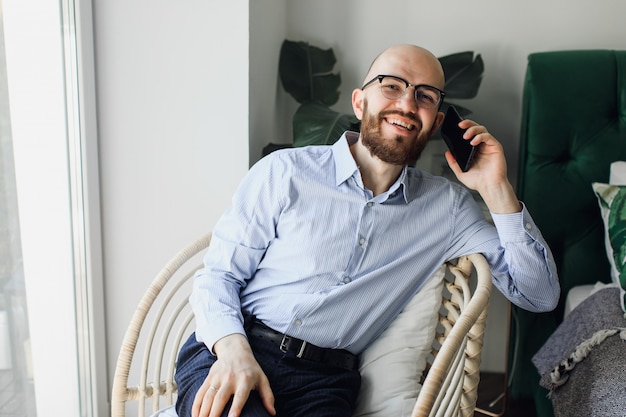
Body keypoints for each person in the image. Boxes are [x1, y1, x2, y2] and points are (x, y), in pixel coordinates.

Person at [174, 44, 560, 417]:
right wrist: (233, 353)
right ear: (360, 102)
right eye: (392, 85)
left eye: (425, 96)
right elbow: (219, 275)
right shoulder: (284, 172)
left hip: (324, 384)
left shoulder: (448, 209)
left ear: (437, 122)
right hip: (234, 347)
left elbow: (539, 294)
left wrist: (497, 188)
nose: (408, 104)